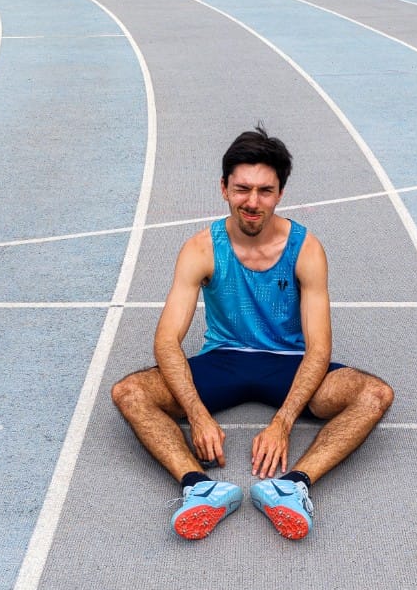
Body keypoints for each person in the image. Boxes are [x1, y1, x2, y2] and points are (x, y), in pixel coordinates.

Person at [111, 127, 394, 541]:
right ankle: (199, 487)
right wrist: (197, 414)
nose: (252, 202)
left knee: (375, 395)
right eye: (242, 189)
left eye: (265, 190)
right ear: (223, 188)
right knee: (129, 392)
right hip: (224, 360)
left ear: (280, 194)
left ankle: (291, 486)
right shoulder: (201, 248)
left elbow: (319, 348)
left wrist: (283, 423)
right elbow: (167, 341)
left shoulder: (306, 249)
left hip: (288, 364)